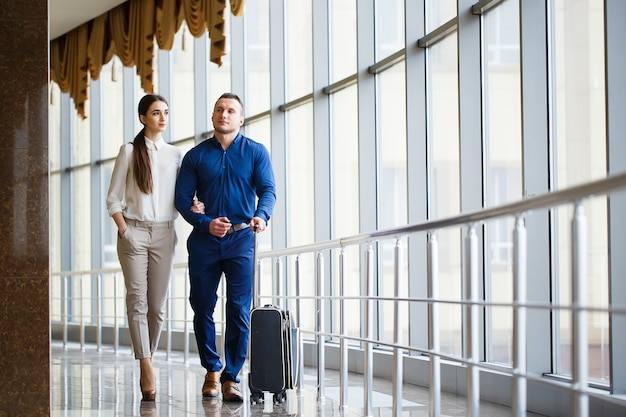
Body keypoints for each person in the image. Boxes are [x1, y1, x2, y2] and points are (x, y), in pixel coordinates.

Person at [174, 93, 277, 402]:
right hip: (204, 242)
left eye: (231, 110)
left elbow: (268, 189)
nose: (224, 114)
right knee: (202, 306)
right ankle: (211, 370)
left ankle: (232, 376)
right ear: (213, 116)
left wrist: (262, 215)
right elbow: (182, 198)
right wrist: (205, 222)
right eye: (219, 109)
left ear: (241, 119)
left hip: (241, 239)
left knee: (238, 309)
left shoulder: (256, 153)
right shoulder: (195, 156)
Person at [106, 94, 204, 402]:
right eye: (156, 113)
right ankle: (146, 365)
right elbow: (113, 199)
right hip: (133, 232)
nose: (163, 118)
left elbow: (182, 194)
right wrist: (125, 231)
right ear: (142, 118)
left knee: (157, 307)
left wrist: (195, 203)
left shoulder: (176, 154)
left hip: (165, 234)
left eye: (166, 112)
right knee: (137, 300)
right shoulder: (129, 151)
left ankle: (147, 353)